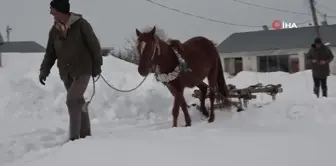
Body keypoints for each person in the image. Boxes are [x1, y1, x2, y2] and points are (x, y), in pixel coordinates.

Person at [39, 0, 103, 141]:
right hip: (66, 72)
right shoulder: (54, 30)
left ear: (61, 11)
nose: (51, 13)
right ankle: (86, 135)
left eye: (53, 10)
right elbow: (50, 53)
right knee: (78, 101)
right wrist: (44, 71)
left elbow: (94, 46)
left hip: (83, 69)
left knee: (72, 100)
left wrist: (97, 65)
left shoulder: (81, 25)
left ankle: (74, 138)